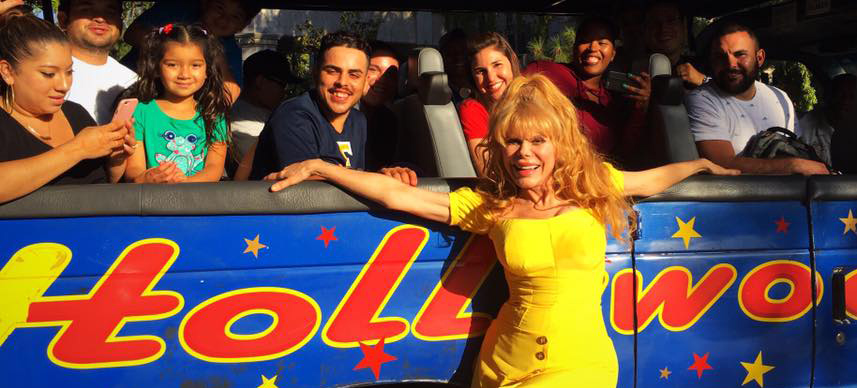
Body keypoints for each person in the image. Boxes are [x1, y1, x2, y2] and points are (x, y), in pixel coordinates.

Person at [266, 74, 738, 387]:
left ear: (559, 146)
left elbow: (651, 179)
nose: (524, 153)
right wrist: (323, 168)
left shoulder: (595, 187)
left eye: (537, 141)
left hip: (581, 366)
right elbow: (398, 196)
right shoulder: (492, 208)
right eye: (512, 141)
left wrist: (698, 162)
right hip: (503, 364)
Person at [0, 14, 135, 203]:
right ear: (8, 71)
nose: (64, 85)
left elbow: (102, 187)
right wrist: (77, 149)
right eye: (48, 74)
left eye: (69, 72)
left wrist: (115, 161)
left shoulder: (76, 113)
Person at [686, 22, 828, 175]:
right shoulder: (703, 100)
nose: (730, 64)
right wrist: (793, 166)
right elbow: (721, 165)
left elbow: (796, 148)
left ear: (759, 58)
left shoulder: (780, 98)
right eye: (720, 56)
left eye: (740, 54)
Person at [524, 16, 651, 163]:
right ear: (574, 48)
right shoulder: (546, 71)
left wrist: (640, 108)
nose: (593, 48)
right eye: (585, 41)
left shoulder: (614, 102)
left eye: (602, 42)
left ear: (613, 54)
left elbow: (626, 150)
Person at [248, 31, 370, 180]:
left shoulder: (358, 121)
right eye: (332, 71)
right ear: (315, 73)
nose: (342, 82)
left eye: (354, 75)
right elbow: (311, 188)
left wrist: (388, 175)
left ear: (365, 81)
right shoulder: (292, 116)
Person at [123, 23, 231, 183]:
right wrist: (147, 178)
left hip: (198, 204)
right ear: (157, 68)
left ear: (207, 70)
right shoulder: (140, 111)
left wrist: (185, 185)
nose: (184, 74)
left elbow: (214, 169)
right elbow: (134, 170)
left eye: (195, 65)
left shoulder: (215, 115)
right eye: (172, 65)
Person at [121, 0, 261, 102]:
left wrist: (217, 56)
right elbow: (132, 34)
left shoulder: (230, 50)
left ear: (243, 25)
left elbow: (229, 95)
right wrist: (171, 43)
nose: (224, 19)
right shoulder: (177, 9)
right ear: (205, 4)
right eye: (219, 8)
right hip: (127, 88)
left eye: (235, 17)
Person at [57, 0, 137, 124]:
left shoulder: (134, 81)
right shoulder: (41, 72)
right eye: (86, 9)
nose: (100, 18)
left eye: (110, 12)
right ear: (63, 19)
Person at [229, 49, 297, 178]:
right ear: (260, 82)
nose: (284, 92)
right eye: (282, 85)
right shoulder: (242, 121)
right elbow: (265, 165)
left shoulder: (266, 113)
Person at [460, 31, 520, 172]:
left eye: (497, 65)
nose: (491, 78)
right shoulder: (472, 109)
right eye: (481, 71)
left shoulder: (535, 98)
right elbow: (488, 171)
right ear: (472, 77)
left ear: (512, 61)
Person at [796, 73, 856, 166]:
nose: (845, 101)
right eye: (840, 94)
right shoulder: (803, 127)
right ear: (828, 97)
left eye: (852, 96)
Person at [361, 40, 401, 171]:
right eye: (373, 69)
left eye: (391, 74)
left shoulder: (389, 121)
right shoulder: (338, 114)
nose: (382, 79)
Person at [439, 28, 471, 105]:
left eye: (463, 52)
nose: (458, 57)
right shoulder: (438, 94)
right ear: (441, 58)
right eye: (451, 53)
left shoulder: (483, 88)